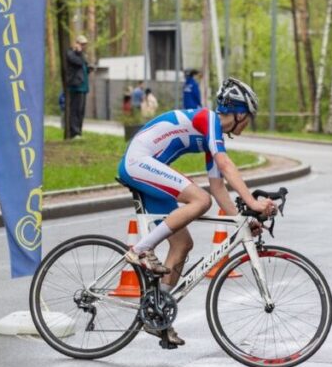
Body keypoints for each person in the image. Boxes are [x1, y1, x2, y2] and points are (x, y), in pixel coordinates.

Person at [117, 77, 275, 347]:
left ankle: (156, 316)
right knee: (199, 200)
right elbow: (225, 165)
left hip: (147, 166)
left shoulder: (209, 137)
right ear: (238, 113)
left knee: (183, 243)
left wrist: (242, 219)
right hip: (138, 162)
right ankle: (140, 250)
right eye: (249, 116)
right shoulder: (209, 120)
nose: (249, 122)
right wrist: (253, 201)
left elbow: (217, 186)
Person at [65, 35, 92, 138]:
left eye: (84, 44)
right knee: (75, 110)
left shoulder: (82, 55)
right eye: (82, 44)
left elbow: (84, 65)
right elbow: (78, 62)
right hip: (76, 86)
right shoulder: (71, 53)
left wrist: (89, 69)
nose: (84, 46)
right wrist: (78, 52)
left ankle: (79, 132)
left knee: (81, 111)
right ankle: (74, 132)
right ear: (76, 43)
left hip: (83, 87)